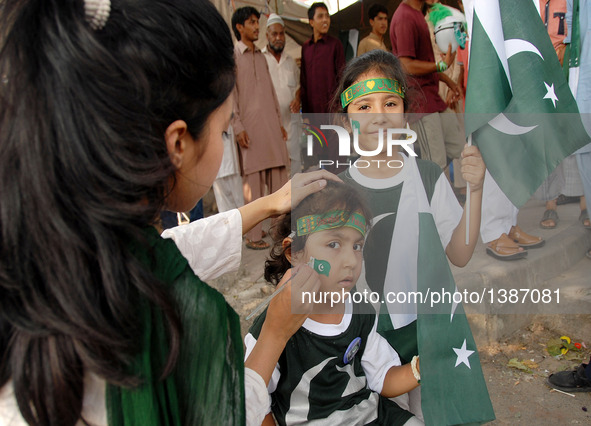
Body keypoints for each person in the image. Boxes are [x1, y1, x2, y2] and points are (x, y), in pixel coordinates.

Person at [0, 0, 335, 424]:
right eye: (223, 126)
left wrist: (268, 203)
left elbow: (163, 251)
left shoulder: (51, 232)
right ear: (178, 143)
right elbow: (218, 412)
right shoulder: (181, 321)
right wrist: (274, 333)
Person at [333, 50, 492, 421]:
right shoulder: (336, 191)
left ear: (405, 110)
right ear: (345, 120)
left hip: (425, 337)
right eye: (363, 106)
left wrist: (477, 190)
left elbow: (461, 253)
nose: (379, 116)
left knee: (426, 415)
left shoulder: (428, 176)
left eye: (390, 102)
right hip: (364, 341)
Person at [244, 182, 424, 425]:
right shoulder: (272, 327)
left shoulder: (361, 310)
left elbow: (383, 377)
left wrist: (421, 368)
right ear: (294, 253)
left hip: (372, 416)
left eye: (357, 246)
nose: (350, 260)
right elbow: (255, 404)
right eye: (333, 244)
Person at [231, 6, 290, 250]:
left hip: (271, 128)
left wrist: (279, 123)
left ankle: (279, 230)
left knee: (278, 179)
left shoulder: (261, 57)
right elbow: (230, 95)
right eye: (252, 22)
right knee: (253, 185)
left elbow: (272, 94)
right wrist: (237, 126)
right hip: (250, 131)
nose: (257, 27)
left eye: (258, 22)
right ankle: (253, 236)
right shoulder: (232, 56)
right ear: (239, 27)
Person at [390, 0, 464, 170]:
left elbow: (422, 64)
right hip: (420, 103)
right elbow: (406, 66)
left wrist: (449, 81)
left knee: (459, 148)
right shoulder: (405, 18)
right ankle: (429, 191)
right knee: (435, 162)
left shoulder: (418, 14)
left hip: (433, 98)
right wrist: (441, 66)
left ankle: (429, 185)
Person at [536, 0, 587, 230]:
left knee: (579, 134)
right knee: (549, 140)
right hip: (541, 72)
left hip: (570, 69)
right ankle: (551, 204)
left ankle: (585, 203)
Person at [263, 13, 303, 175]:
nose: (278, 37)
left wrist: (297, 99)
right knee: (275, 172)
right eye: (274, 34)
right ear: (267, 35)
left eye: (281, 34)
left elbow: (299, 86)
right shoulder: (260, 59)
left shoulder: (290, 61)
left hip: (292, 125)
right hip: (271, 127)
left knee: (295, 168)